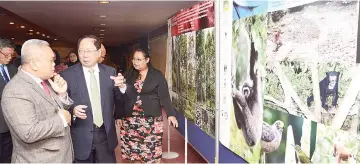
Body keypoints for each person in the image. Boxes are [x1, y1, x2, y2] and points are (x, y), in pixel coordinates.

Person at [1, 39, 74, 163]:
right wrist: (61, 120)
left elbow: (56, 111)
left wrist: (61, 94)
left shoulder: (45, 81)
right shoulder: (16, 89)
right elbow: (28, 133)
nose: (54, 65)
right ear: (34, 64)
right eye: (51, 60)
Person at [61, 35, 124, 163]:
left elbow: (120, 100)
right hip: (80, 134)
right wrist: (72, 110)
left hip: (105, 134)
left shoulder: (110, 72)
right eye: (81, 51)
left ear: (98, 52)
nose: (84, 55)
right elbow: (59, 104)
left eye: (89, 51)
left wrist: (122, 87)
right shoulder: (67, 75)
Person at [117, 49, 178, 163]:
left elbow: (164, 96)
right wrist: (118, 116)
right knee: (133, 151)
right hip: (130, 120)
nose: (135, 62)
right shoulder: (129, 74)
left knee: (152, 151)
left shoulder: (156, 75)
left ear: (147, 60)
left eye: (139, 59)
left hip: (151, 120)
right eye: (134, 59)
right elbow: (121, 96)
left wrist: (171, 114)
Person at [0, 37, 17, 163]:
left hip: (11, 123)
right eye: (6, 55)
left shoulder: (13, 69)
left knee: (8, 157)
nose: (9, 57)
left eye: (11, 55)